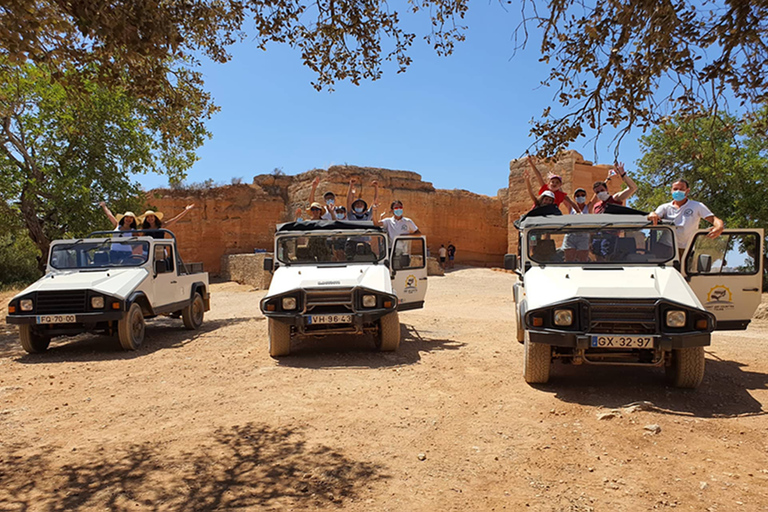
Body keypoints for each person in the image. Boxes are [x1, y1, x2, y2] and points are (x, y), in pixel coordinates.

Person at [648, 178, 724, 258]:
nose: (678, 191)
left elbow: (714, 219)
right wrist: (652, 214)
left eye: (681, 189)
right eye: (675, 189)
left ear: (687, 191)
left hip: (687, 249)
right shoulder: (664, 207)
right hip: (667, 247)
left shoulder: (697, 206)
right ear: (671, 190)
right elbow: (654, 217)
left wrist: (719, 227)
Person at [562, 188, 590, 262]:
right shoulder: (571, 208)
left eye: (583, 195)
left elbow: (596, 195)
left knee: (583, 260)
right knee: (568, 259)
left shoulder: (588, 207)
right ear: (574, 197)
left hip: (583, 236)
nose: (580, 197)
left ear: (586, 197)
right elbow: (563, 196)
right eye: (577, 195)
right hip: (571, 235)